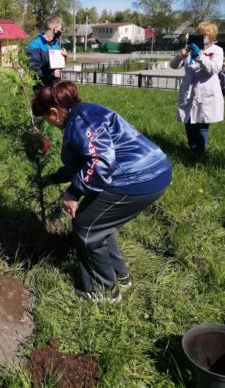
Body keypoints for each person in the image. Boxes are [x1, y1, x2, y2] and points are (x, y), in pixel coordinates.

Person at [32, 82, 172, 303]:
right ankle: (120, 276)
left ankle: (103, 291)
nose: (47, 124)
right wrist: (53, 178)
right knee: (99, 221)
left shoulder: (80, 122)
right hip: (154, 170)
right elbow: (83, 161)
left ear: (53, 112)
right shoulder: (85, 112)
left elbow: (100, 162)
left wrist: (73, 193)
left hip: (139, 178)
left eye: (45, 119)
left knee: (86, 225)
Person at [170, 22, 224, 157]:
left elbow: (214, 68)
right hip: (189, 90)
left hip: (206, 91)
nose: (200, 37)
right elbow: (173, 65)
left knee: (201, 124)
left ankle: (199, 154)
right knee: (188, 123)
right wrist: (180, 56)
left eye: (203, 34)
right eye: (199, 34)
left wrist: (199, 57)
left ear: (211, 36)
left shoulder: (217, 50)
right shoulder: (189, 48)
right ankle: (192, 148)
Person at [26, 15, 67, 93]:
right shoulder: (35, 45)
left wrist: (64, 58)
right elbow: (33, 72)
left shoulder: (55, 44)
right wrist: (50, 71)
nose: (61, 31)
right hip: (42, 91)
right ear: (55, 29)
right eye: (60, 29)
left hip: (55, 87)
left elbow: (57, 66)